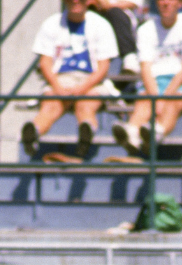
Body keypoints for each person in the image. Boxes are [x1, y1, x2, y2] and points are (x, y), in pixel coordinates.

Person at [22, 0, 118, 159]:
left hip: (91, 80)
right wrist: (57, 87)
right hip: (61, 78)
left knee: (86, 106)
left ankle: (85, 134)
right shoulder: (51, 23)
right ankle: (33, 131)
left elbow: (102, 68)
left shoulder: (101, 25)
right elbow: (45, 63)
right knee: (51, 106)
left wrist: (81, 89)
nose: (75, 1)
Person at [111, 0, 182, 156]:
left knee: (172, 102)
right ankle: (132, 133)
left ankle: (155, 134)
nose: (165, 3)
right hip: (154, 82)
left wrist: (164, 98)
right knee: (144, 101)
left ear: (179, 4)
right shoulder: (146, 29)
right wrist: (156, 97)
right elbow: (145, 68)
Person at [89, 0, 144, 74]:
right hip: (94, 16)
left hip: (120, 21)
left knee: (115, 12)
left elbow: (132, 3)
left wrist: (105, 5)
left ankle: (129, 57)